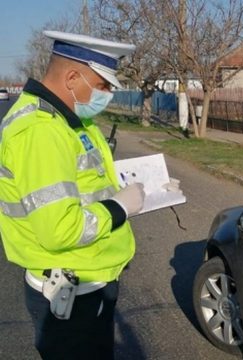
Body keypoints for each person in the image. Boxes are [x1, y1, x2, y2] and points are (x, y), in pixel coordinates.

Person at [0, 30, 145, 359]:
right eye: (104, 85)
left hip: (88, 284)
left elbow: (86, 182)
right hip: (71, 296)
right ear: (72, 77)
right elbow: (59, 229)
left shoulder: (73, 121)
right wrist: (120, 207)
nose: (107, 94)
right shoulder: (40, 132)